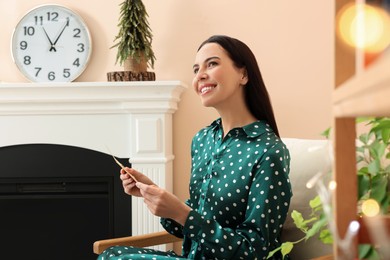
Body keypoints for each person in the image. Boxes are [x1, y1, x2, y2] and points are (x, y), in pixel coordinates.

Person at [98, 35, 292, 260]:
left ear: (244, 74)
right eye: (195, 69)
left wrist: (182, 213)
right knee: (113, 255)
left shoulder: (268, 152)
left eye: (212, 64)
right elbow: (188, 227)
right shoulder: (203, 140)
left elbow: (256, 251)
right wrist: (150, 191)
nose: (200, 76)